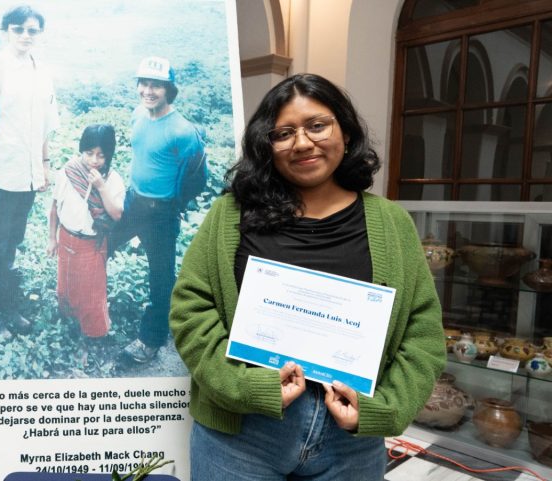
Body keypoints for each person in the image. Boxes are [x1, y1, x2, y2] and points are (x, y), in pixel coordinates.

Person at [170, 73, 446, 480]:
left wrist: (384, 409)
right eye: (283, 133)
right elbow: (191, 309)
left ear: (346, 132)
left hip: (350, 442)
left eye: (317, 125)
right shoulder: (230, 215)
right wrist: (242, 387)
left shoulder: (392, 223)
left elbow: (423, 334)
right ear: (267, 145)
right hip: (242, 434)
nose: (302, 143)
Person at [0, 5, 59, 336]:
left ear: (39, 34)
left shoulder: (42, 72)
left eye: (32, 30)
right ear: (6, 30)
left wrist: (44, 166)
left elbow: (44, 126)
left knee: (11, 240)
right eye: (18, 29)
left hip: (27, 177)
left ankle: (3, 297)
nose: (25, 35)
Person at [111, 56, 205, 364]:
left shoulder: (182, 131)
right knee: (101, 244)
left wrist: (174, 204)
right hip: (132, 202)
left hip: (161, 214)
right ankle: (92, 307)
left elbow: (197, 177)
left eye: (156, 86)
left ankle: (150, 340)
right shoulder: (138, 114)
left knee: (160, 278)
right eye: (144, 84)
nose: (148, 91)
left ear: (169, 90)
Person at [47, 124, 124, 364]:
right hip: (66, 238)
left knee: (91, 294)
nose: (94, 160)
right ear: (81, 150)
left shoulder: (112, 179)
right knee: (66, 286)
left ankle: (92, 338)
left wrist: (101, 186)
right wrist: (51, 238)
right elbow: (54, 207)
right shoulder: (68, 172)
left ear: (109, 155)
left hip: (92, 243)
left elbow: (116, 214)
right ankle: (69, 323)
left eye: (101, 155)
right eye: (89, 153)